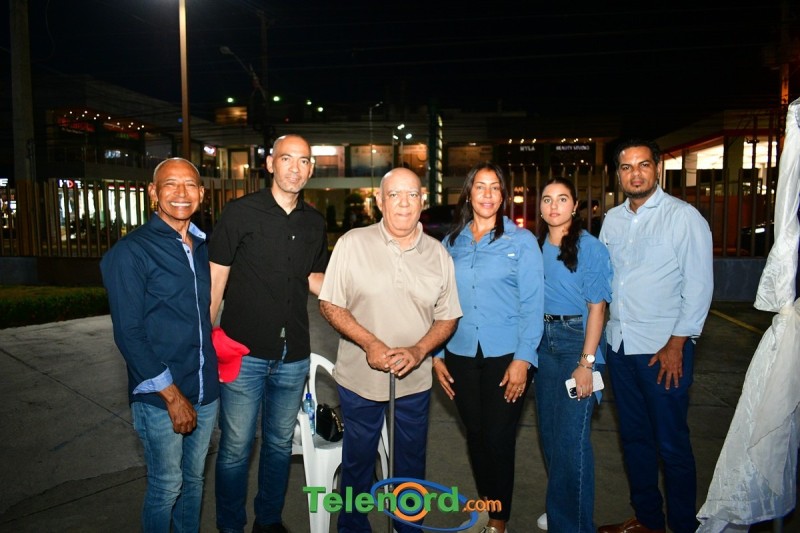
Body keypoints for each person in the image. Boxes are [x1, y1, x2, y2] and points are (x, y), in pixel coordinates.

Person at [318, 167, 462, 533]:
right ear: (380, 202)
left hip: (414, 382)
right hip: (360, 379)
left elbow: (447, 317)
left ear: (422, 201)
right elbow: (330, 304)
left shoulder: (437, 254)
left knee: (410, 465)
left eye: (412, 194)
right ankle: (353, 527)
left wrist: (419, 350)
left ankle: (409, 527)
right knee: (358, 462)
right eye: (394, 195)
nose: (404, 203)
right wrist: (370, 343)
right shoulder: (352, 243)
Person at [209, 134, 328, 533]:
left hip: (293, 356)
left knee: (278, 446)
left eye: (304, 160)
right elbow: (216, 280)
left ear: (311, 169)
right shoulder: (240, 213)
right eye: (287, 158)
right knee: (235, 448)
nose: (295, 167)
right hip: (242, 353)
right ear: (270, 164)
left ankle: (269, 521)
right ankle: (230, 526)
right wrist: (206, 340)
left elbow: (315, 279)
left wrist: (364, 294)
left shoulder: (315, 222)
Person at [597, 139, 713, 533]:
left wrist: (678, 343)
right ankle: (647, 521)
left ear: (657, 168)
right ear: (618, 174)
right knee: (634, 440)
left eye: (643, 165)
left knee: (672, 445)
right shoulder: (612, 220)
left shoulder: (683, 218)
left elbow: (699, 285)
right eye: (627, 167)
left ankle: (681, 526)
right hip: (619, 346)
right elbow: (605, 280)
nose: (636, 174)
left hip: (663, 352)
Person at [100, 157, 219, 532]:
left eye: (190, 185)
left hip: (205, 390)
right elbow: (128, 333)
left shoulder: (201, 246)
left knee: (194, 481)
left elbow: (199, 317)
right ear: (153, 192)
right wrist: (172, 396)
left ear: (202, 193)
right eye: (170, 184)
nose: (181, 193)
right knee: (167, 486)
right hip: (161, 396)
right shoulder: (131, 251)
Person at [431, 162, 542, 533]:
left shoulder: (521, 242)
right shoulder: (451, 243)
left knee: (498, 437)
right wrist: (437, 355)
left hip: (506, 356)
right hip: (460, 353)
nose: (488, 194)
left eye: (495, 187)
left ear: (503, 195)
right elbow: (439, 302)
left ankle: (499, 519)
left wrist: (523, 359)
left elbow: (533, 305)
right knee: (476, 434)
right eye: (480, 186)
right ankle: (486, 502)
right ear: (468, 193)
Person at [534, 177, 612, 533]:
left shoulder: (589, 248)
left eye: (562, 199)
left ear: (575, 205)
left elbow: (598, 309)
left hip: (575, 343)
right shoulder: (535, 247)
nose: (554, 206)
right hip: (542, 345)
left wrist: (586, 363)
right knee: (551, 437)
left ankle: (574, 525)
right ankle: (562, 510)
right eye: (547, 199)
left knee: (571, 441)